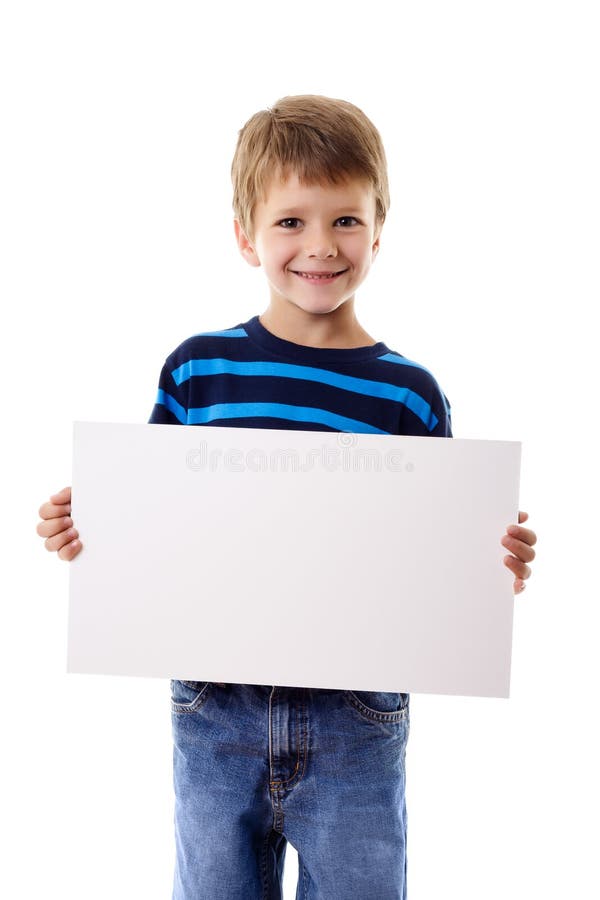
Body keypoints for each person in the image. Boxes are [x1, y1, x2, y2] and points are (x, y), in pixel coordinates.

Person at [36, 95, 537, 899]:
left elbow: (436, 564)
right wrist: (83, 525)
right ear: (246, 236)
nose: (320, 246)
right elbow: (149, 525)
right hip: (215, 709)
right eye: (291, 222)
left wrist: (489, 565)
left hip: (356, 721)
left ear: (379, 229)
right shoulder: (197, 369)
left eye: (345, 220)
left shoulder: (410, 393)